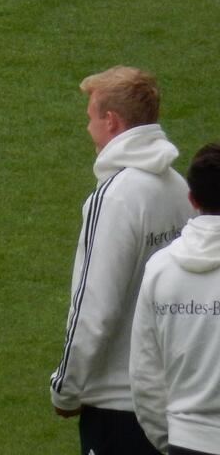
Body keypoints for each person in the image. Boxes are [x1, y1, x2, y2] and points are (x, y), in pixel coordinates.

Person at [49, 66, 196, 454]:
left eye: (90, 118)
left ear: (111, 121)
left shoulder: (114, 197)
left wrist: (65, 389)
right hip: (175, 403)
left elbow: (93, 310)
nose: (88, 129)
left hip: (116, 409)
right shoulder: (180, 189)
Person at [130, 142, 220, 455]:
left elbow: (144, 373)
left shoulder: (160, 268)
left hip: (185, 441)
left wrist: (169, 440)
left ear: (192, 198)